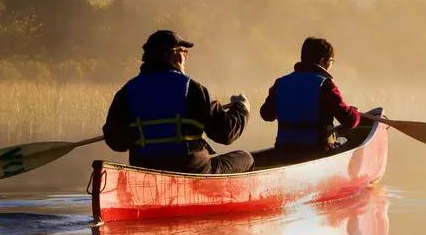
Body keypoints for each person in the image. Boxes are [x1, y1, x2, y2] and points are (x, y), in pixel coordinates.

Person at [103, 30, 254, 173]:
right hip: (192, 170)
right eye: (183, 51)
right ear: (170, 54)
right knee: (246, 158)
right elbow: (225, 134)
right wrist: (241, 110)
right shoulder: (193, 89)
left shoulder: (126, 92)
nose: (185, 58)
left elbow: (116, 142)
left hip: (145, 169)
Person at [259, 36, 363, 161]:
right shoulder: (325, 85)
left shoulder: (281, 83)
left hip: (284, 150)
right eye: (331, 61)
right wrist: (354, 112)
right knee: (346, 139)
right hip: (317, 152)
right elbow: (350, 121)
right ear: (322, 61)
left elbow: (266, 114)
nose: (331, 65)